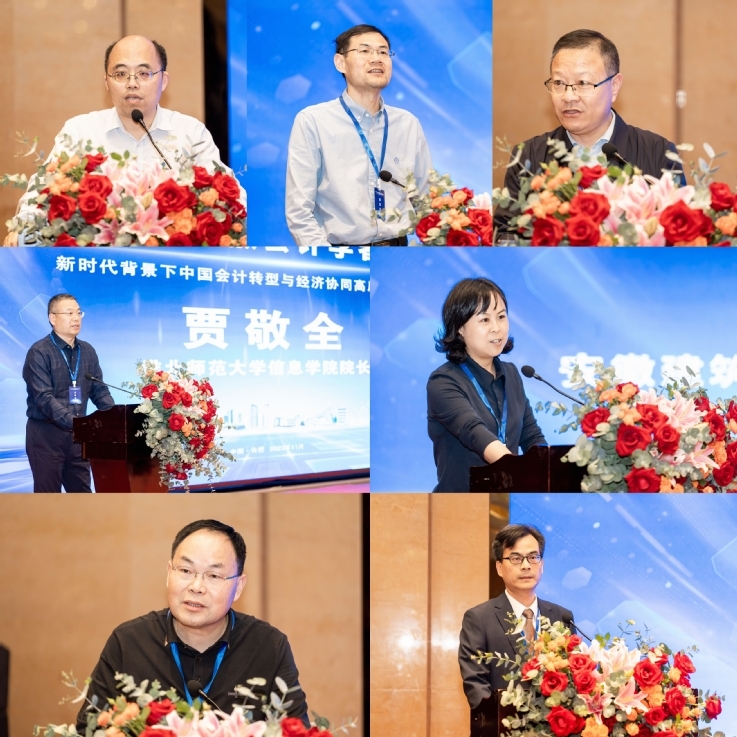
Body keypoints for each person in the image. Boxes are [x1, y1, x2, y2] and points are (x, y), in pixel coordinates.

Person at [4, 35, 245, 245]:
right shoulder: (80, 131)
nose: (132, 83)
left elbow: (231, 198)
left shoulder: (190, 133)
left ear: (163, 80)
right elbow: (41, 194)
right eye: (120, 74)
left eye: (144, 73)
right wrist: (24, 228)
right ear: (106, 82)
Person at [76, 519, 309, 730]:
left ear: (238, 586)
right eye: (186, 570)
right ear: (169, 573)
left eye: (214, 576)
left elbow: (296, 731)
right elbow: (90, 730)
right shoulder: (128, 643)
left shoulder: (269, 646)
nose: (196, 587)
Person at [494, 29, 685, 236]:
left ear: (614, 86)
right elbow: (505, 236)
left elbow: (680, 236)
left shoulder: (658, 153)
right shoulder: (528, 156)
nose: (568, 96)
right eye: (559, 83)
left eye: (583, 83)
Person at [285, 24, 433, 246]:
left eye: (383, 52)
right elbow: (299, 212)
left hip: (398, 250)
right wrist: (329, 259)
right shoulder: (313, 121)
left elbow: (426, 200)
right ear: (340, 62)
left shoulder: (407, 123)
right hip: (341, 254)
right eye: (364, 51)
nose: (376, 59)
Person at [427, 277, 546, 492]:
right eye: (484, 320)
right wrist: (520, 473)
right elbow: (475, 433)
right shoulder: (443, 381)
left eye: (501, 317)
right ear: (460, 328)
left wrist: (550, 468)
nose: (496, 328)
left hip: (506, 498)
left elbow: (531, 435)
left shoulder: (512, 374)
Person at [458, 524, 575, 708]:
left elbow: (573, 677)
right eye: (516, 558)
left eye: (533, 557)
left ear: (542, 565)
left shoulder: (562, 617)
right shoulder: (479, 619)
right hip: (503, 723)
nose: (526, 566)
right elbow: (475, 683)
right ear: (499, 567)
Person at [22, 293, 114, 492]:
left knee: (81, 496)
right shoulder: (39, 352)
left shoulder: (87, 351)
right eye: (69, 313)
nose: (76, 318)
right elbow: (44, 398)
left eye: (79, 313)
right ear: (52, 318)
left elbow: (98, 389)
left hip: (78, 437)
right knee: (48, 499)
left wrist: (114, 417)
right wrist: (78, 424)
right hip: (46, 435)